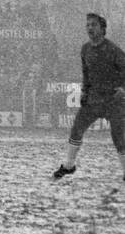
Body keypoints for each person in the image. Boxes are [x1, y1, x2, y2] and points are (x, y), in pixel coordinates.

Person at [53, 13, 125, 181]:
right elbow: (86, 73)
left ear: (102, 28)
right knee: (76, 129)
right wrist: (85, 91)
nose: (90, 28)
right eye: (88, 25)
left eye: (93, 25)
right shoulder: (85, 49)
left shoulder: (113, 50)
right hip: (93, 100)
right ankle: (69, 166)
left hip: (113, 100)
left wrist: (122, 88)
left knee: (119, 138)